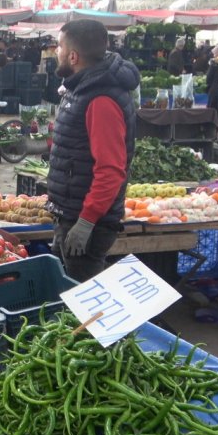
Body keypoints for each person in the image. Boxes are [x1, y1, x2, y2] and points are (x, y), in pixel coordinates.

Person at [46, 19, 139, 282]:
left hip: (88, 222)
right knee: (63, 292)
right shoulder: (83, 87)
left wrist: (86, 222)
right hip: (71, 214)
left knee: (81, 302)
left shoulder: (100, 99)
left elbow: (110, 170)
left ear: (73, 56)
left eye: (60, 47)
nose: (57, 52)